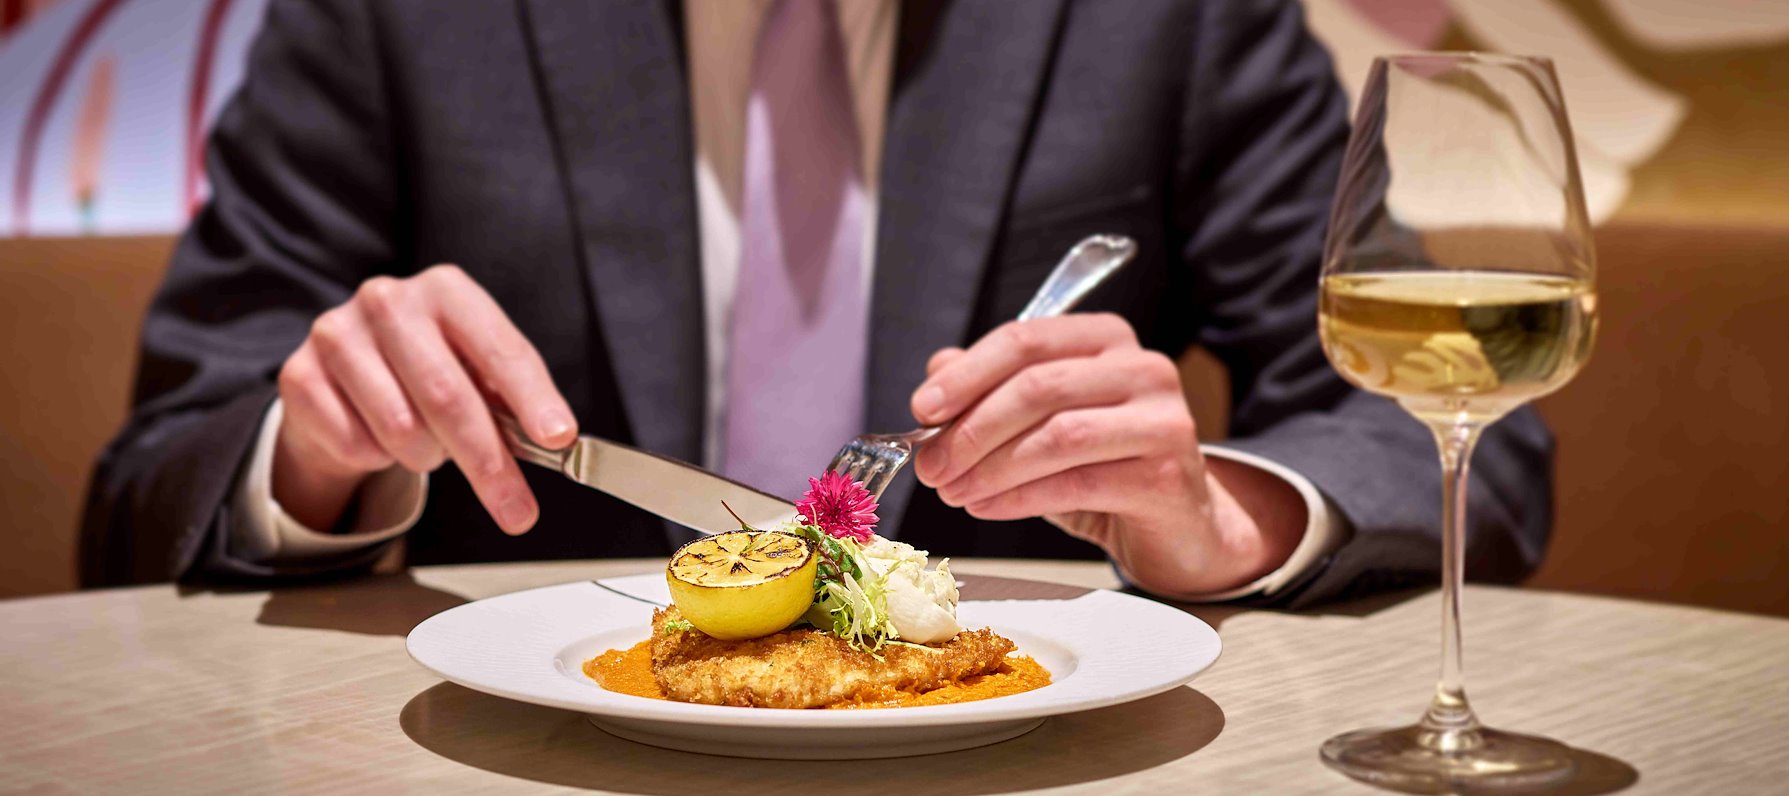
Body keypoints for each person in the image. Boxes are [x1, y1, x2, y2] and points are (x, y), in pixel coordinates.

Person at [81, 0, 1552, 607]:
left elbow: (1448, 431)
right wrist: (316, 455)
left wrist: (1225, 519)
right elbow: (154, 484)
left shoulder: (1160, 15)